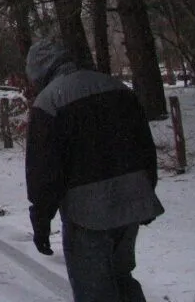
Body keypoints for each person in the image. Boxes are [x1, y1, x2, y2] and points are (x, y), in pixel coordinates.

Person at [25, 36, 164, 302]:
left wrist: (41, 222)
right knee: (122, 277)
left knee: (94, 291)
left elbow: (44, 174)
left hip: (87, 215)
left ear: (40, 70)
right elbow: (144, 147)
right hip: (131, 205)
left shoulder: (49, 102)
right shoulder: (117, 87)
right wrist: (145, 194)